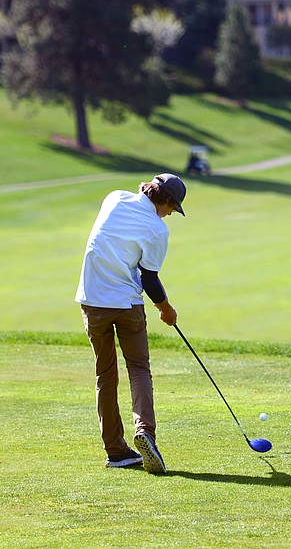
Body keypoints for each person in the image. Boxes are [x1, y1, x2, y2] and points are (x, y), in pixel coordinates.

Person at [75, 173, 187, 473]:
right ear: (166, 201)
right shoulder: (157, 230)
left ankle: (116, 451)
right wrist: (166, 309)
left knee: (105, 375)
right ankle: (145, 433)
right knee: (138, 369)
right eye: (172, 209)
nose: (170, 215)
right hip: (126, 304)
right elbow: (149, 278)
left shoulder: (114, 198)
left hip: (92, 300)